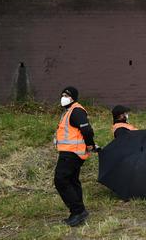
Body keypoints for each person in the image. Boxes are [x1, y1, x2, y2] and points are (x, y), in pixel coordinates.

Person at [53, 86, 97, 227]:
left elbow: (87, 130)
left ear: (73, 97)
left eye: (67, 95)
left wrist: (90, 144)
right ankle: (78, 212)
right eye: (62, 94)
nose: (63, 97)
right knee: (72, 181)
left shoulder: (76, 111)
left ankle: (78, 211)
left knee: (61, 180)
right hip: (70, 152)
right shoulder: (69, 111)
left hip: (71, 153)